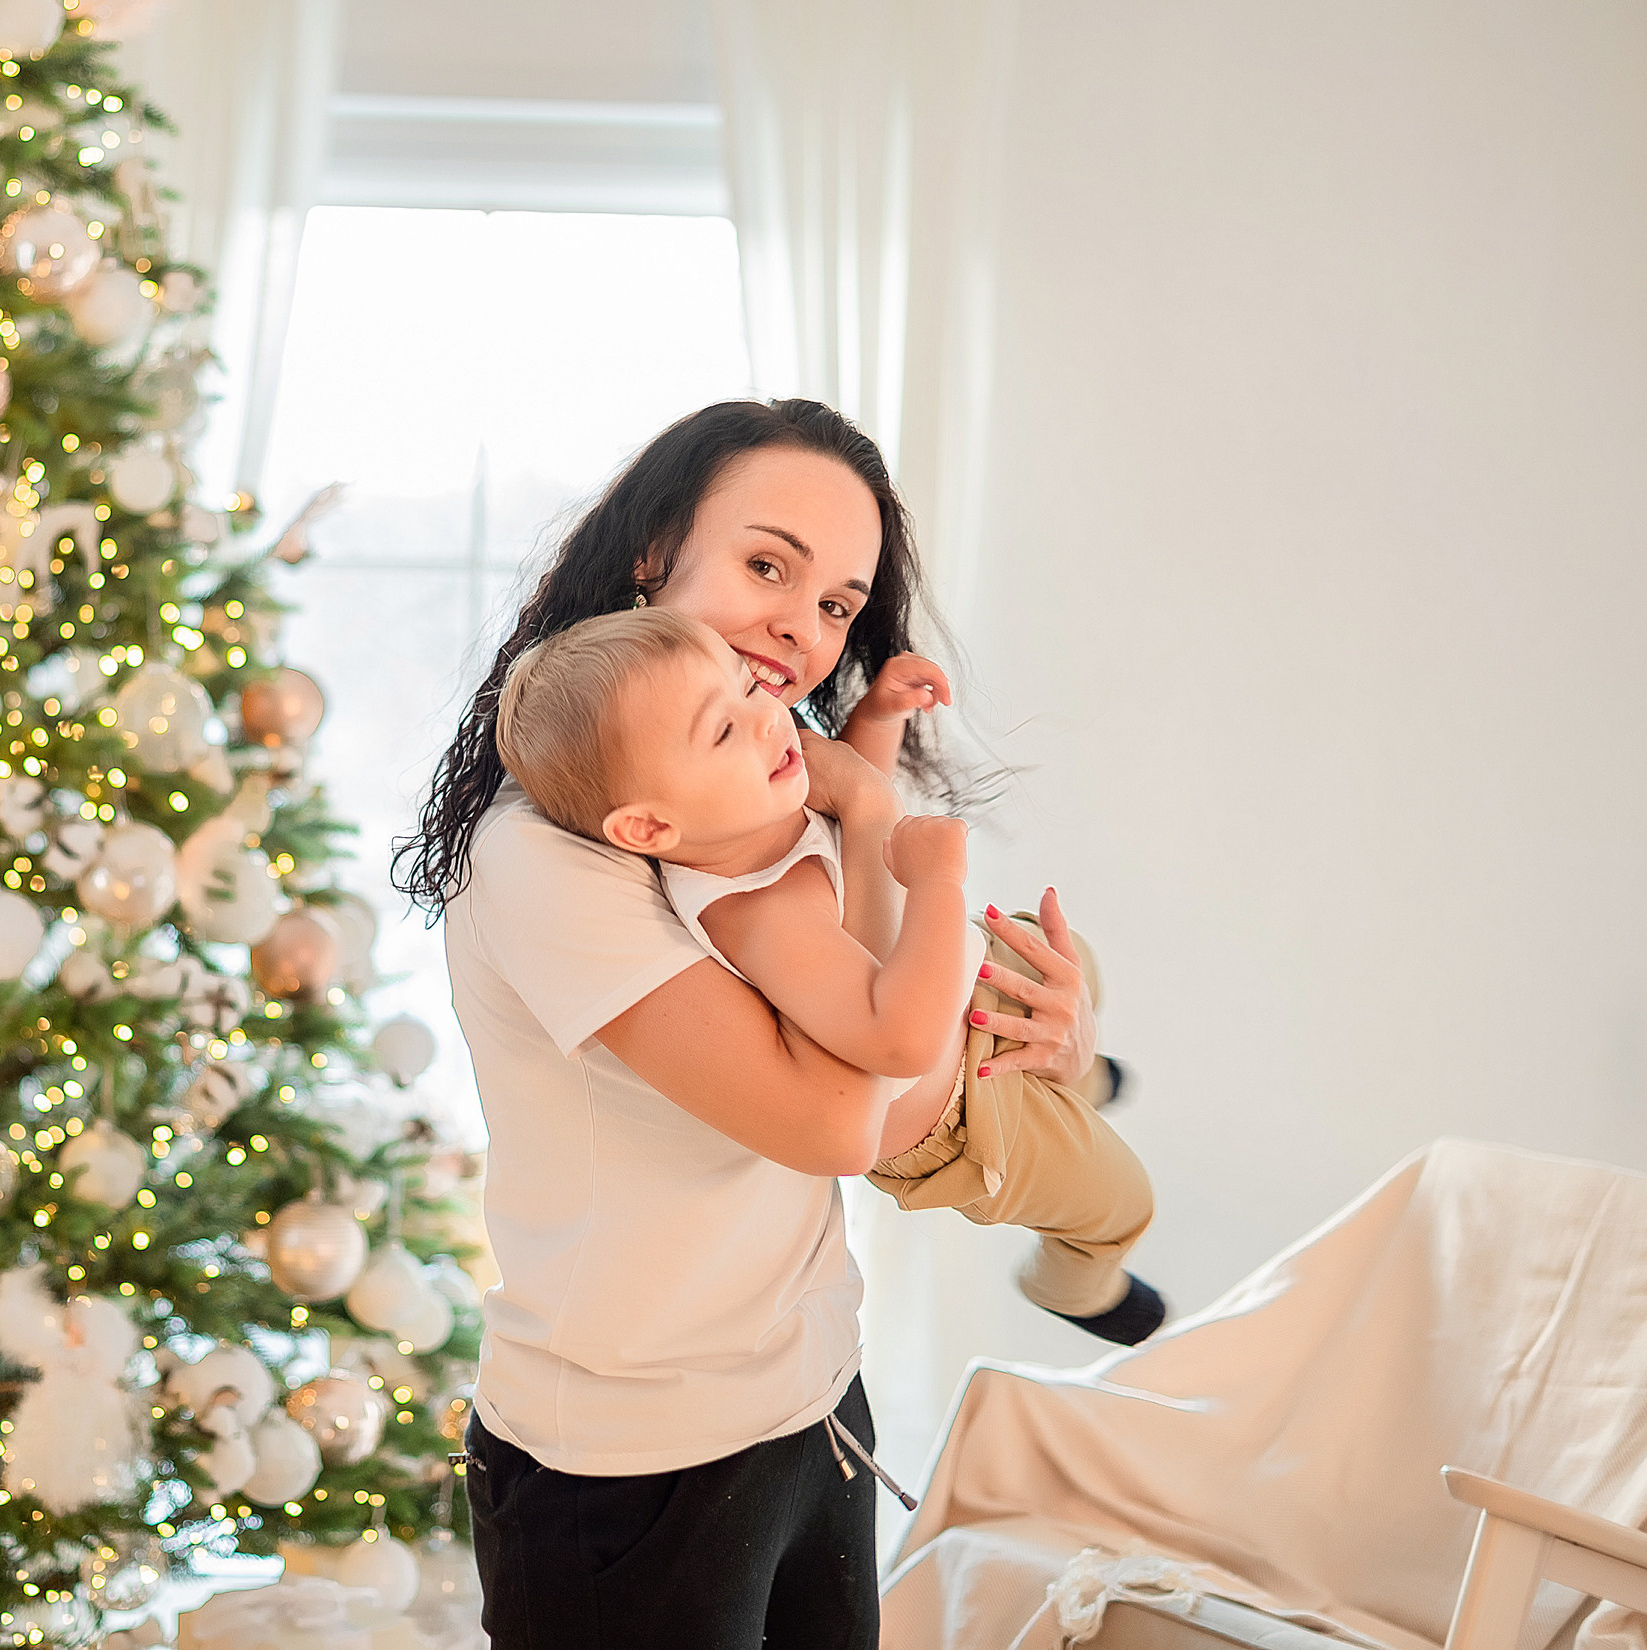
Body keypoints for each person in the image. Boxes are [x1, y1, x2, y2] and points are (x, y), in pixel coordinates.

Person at [396, 397, 1131, 1650]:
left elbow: (890, 1009)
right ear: (651, 556)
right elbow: (854, 1114)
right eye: (766, 563)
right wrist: (870, 841)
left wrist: (1051, 1038)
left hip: (806, 1407)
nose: (802, 625)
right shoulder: (546, 855)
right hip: (631, 1464)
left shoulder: (751, 785)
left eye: (839, 600)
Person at [491, 605, 1161, 1341]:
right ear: (649, 829)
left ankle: (1080, 1079)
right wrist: (937, 884)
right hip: (966, 1107)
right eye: (722, 729)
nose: (769, 720)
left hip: (972, 989)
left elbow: (855, 801)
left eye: (748, 689)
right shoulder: (764, 913)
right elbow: (901, 1043)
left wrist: (880, 716)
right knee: (1122, 1201)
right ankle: (1074, 1283)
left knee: (1075, 963)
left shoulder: (757, 804)